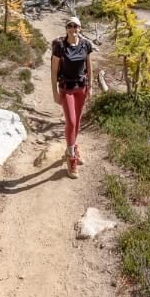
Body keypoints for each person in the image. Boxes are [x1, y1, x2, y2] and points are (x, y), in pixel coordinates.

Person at [51, 15, 93, 178]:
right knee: (71, 122)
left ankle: (72, 146)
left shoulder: (85, 45)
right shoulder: (60, 46)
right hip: (66, 88)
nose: (73, 29)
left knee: (78, 123)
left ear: (79, 28)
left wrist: (90, 87)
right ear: (66, 29)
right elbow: (54, 71)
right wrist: (55, 92)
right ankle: (71, 157)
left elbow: (89, 67)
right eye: (70, 26)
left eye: (76, 26)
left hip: (81, 88)